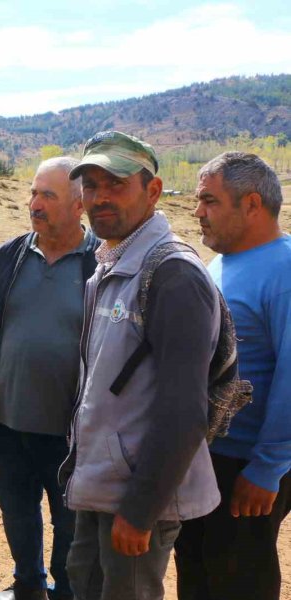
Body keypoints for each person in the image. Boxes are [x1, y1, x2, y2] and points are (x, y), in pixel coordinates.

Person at [60, 131, 221, 600]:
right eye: (90, 185)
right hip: (101, 485)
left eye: (116, 183)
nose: (99, 198)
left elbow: (185, 412)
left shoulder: (173, 275)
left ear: (152, 191)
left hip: (135, 498)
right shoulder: (111, 263)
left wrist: (141, 508)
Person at [0, 156, 98, 600]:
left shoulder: (100, 263)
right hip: (4, 421)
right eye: (33, 193)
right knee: (18, 514)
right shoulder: (5, 257)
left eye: (48, 195)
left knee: (69, 522)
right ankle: (28, 585)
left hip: (69, 432)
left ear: (79, 205)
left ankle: (64, 591)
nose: (34, 204)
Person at [173, 152, 291, 600]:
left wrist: (268, 467)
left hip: (246, 464)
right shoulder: (220, 262)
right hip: (205, 458)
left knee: (239, 578)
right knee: (199, 569)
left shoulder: (285, 269)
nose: (198, 211)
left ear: (252, 205)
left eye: (210, 200)